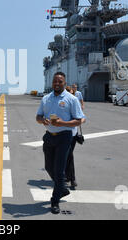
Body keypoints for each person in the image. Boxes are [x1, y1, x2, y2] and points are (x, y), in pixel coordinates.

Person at [36, 72, 85, 215]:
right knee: (48, 166)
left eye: (60, 81)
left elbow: (79, 119)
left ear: (65, 83)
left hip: (64, 137)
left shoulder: (71, 99)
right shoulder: (46, 98)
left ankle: (55, 201)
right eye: (55, 81)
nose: (57, 83)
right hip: (49, 136)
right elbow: (38, 116)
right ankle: (62, 188)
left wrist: (61, 123)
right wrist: (42, 120)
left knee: (59, 171)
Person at [65, 86, 86, 188]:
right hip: (63, 134)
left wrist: (78, 121)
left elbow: (83, 118)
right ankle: (70, 178)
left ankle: (70, 177)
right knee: (68, 155)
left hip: (73, 134)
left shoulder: (75, 102)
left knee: (69, 155)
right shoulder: (63, 103)